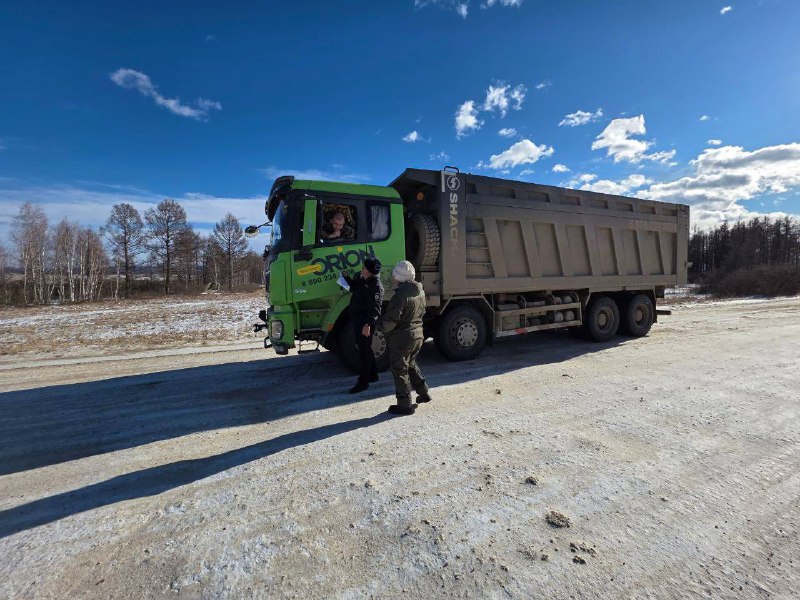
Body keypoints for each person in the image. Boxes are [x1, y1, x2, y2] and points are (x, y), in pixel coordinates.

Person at [380, 260, 431, 415]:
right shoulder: (420, 291)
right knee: (410, 364)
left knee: (399, 369)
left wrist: (377, 327)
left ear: (399, 277)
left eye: (394, 275)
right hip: (418, 335)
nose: (393, 277)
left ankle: (404, 405)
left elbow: (391, 321)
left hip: (402, 338)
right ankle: (424, 393)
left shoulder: (400, 296)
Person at [343, 257, 384, 394]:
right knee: (366, 349)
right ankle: (373, 375)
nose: (362, 269)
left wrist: (367, 325)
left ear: (370, 271)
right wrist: (346, 278)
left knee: (364, 353)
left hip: (365, 323)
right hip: (358, 320)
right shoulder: (363, 280)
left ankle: (363, 382)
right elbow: (354, 288)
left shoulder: (376, 286)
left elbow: (375, 309)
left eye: (364, 268)